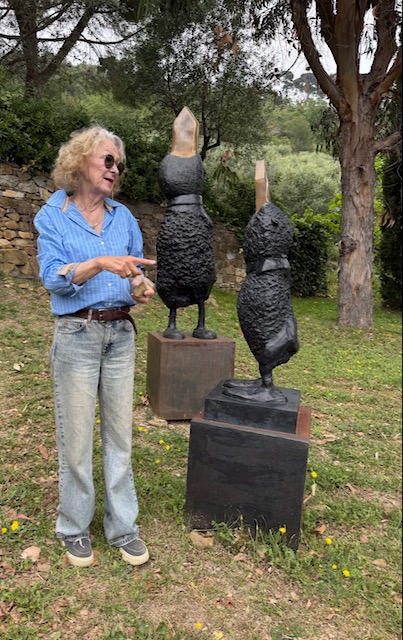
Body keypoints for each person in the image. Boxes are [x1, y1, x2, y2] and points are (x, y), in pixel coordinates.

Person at [34, 125, 156, 568]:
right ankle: (74, 527)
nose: (114, 168)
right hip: (77, 335)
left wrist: (141, 287)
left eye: (118, 164)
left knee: (120, 438)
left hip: (120, 335)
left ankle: (123, 528)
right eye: (107, 159)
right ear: (80, 160)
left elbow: (135, 271)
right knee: (76, 440)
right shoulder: (53, 215)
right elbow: (52, 277)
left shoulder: (124, 218)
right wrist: (100, 262)